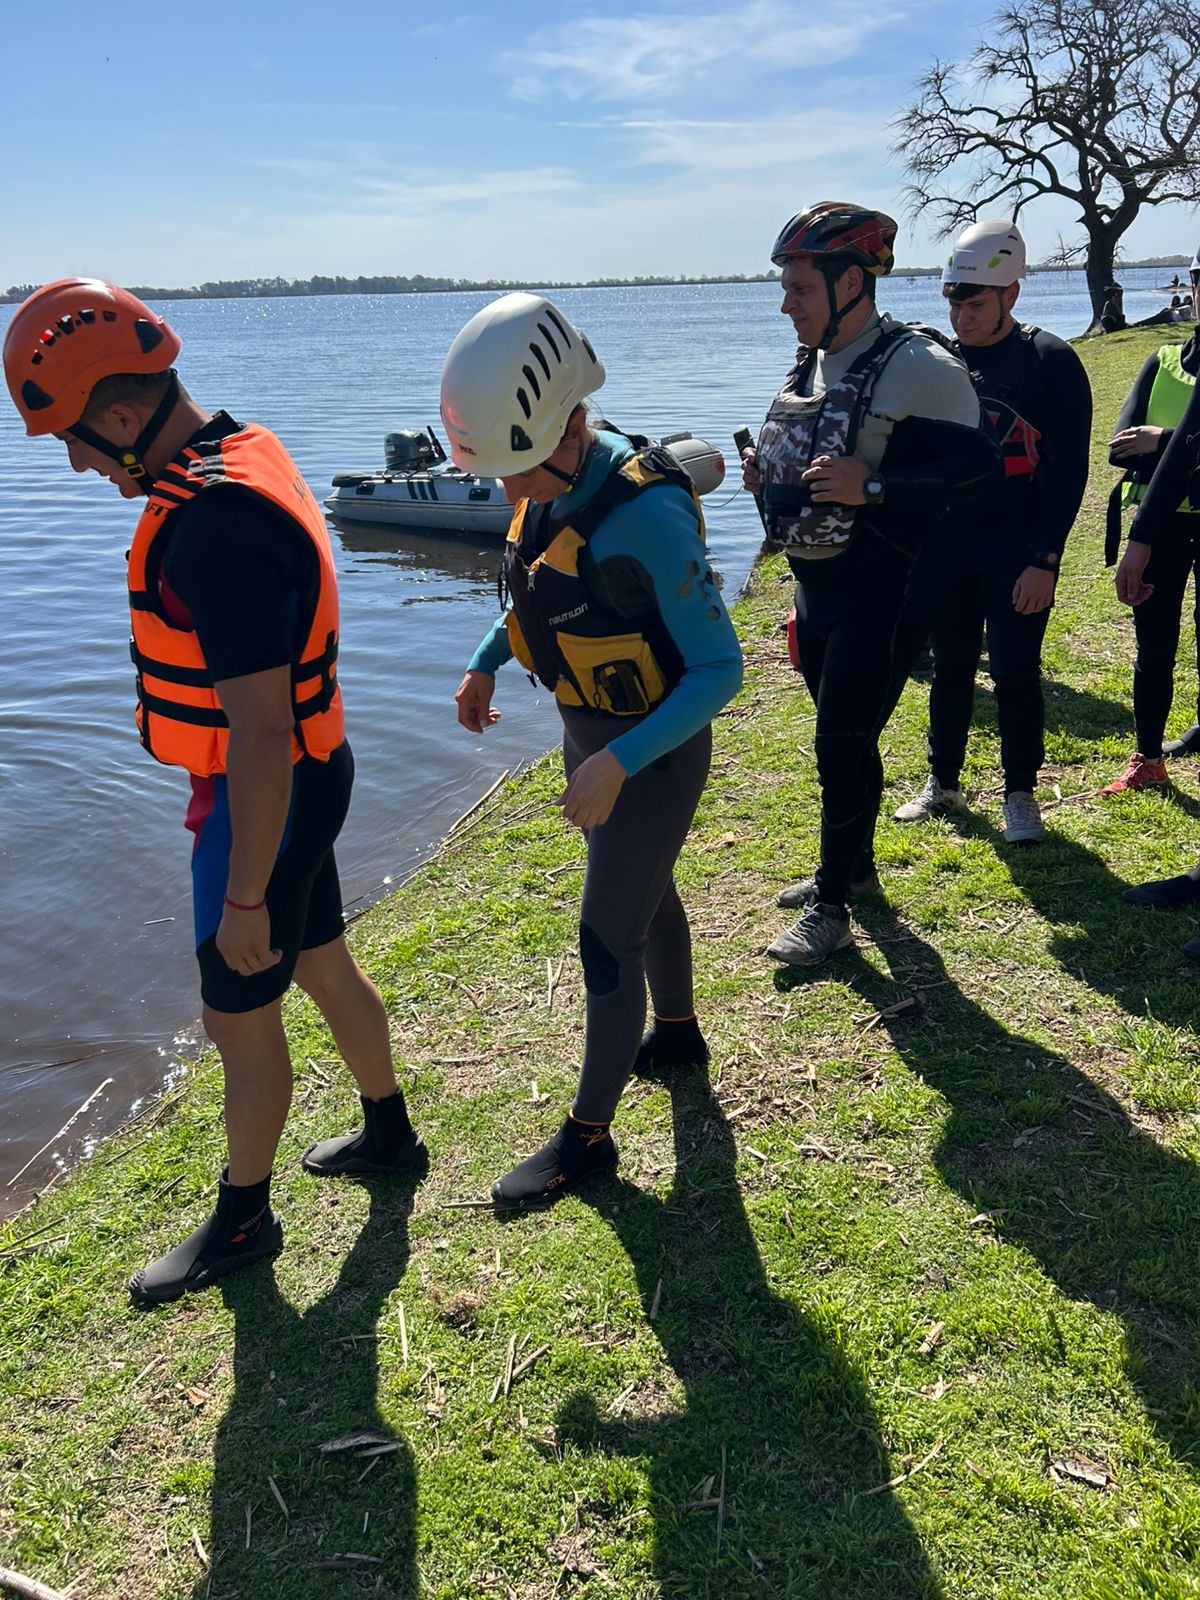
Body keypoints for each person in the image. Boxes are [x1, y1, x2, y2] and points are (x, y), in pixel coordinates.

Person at [2, 280, 426, 1305]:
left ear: (120, 417)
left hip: (264, 793)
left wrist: (244, 895)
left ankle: (244, 1220)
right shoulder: (240, 450)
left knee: (236, 1018)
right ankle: (390, 1132)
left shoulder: (211, 529)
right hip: (313, 770)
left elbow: (261, 733)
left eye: (74, 442)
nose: (76, 465)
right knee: (322, 960)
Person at [446, 293, 742, 1208]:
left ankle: (588, 1139)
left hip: (651, 754)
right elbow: (542, 594)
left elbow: (720, 669)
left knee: (606, 939)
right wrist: (486, 661)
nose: (508, 494)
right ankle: (678, 1033)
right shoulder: (550, 484)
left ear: (571, 426)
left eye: (517, 471)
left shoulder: (646, 515)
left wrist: (618, 763)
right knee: (649, 892)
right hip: (592, 737)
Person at [743, 201, 999, 966]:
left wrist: (876, 488)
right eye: (786, 288)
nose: (786, 304)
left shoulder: (919, 366)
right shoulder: (813, 359)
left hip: (889, 594)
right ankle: (853, 868)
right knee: (848, 742)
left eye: (800, 288)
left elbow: (981, 474)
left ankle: (832, 908)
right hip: (815, 591)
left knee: (840, 744)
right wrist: (769, 477)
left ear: (851, 282)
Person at [892, 220, 1093, 842]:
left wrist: (1046, 558)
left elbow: (1072, 471)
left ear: (1012, 293)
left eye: (975, 305)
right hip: (949, 545)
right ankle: (943, 780)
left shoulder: (1050, 361)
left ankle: (1020, 793)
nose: (962, 318)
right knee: (951, 666)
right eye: (953, 304)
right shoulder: (939, 361)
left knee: (1014, 670)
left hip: (1018, 546)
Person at [1103, 251, 1200, 794]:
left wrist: (1161, 441)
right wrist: (1183, 450)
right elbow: (1119, 448)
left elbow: (1166, 446)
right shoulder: (1162, 361)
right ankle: (1148, 756)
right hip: (1160, 522)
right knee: (1154, 644)